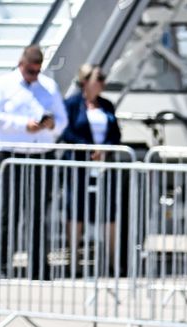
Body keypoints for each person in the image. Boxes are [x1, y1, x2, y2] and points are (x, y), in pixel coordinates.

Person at [0, 45, 67, 280]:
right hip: (12, 154)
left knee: (39, 213)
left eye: (37, 72)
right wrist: (23, 125)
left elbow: (63, 120)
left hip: (41, 155)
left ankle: (39, 267)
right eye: (30, 72)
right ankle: (2, 264)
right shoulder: (3, 85)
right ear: (21, 65)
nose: (34, 76)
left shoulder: (49, 87)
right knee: (9, 212)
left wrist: (51, 125)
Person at [60, 64, 123, 277]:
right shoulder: (72, 104)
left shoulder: (106, 105)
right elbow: (67, 132)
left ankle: (112, 261)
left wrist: (104, 149)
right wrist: (88, 148)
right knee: (75, 210)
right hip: (79, 164)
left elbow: (116, 134)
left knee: (109, 211)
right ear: (86, 80)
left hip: (104, 165)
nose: (103, 83)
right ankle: (74, 260)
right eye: (99, 78)